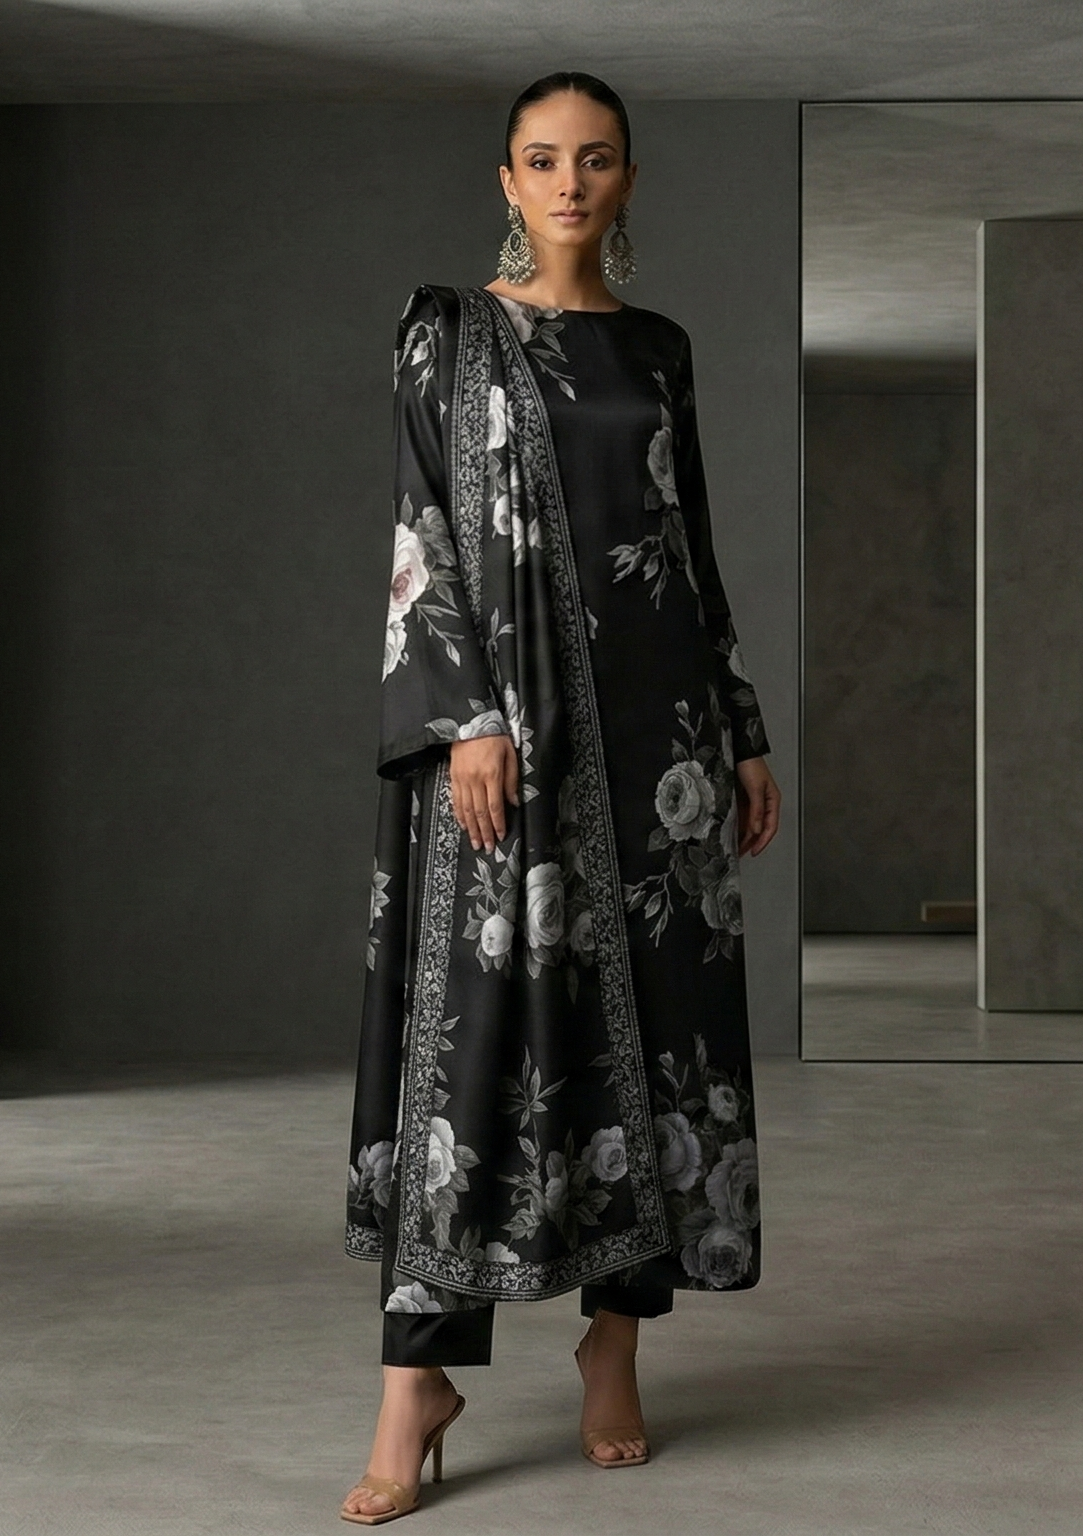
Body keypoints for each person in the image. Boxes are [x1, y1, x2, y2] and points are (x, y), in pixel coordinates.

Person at [341, 70, 780, 1525]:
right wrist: (465, 715)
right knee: (470, 1046)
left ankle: (615, 1345)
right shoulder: (447, 334)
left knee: (653, 1035)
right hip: (506, 736)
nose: (570, 183)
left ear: (628, 178)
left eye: (596, 159)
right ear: (508, 181)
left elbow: (688, 542)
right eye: (544, 160)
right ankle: (415, 1383)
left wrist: (739, 726)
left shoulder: (660, 349)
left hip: (659, 742)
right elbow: (421, 526)